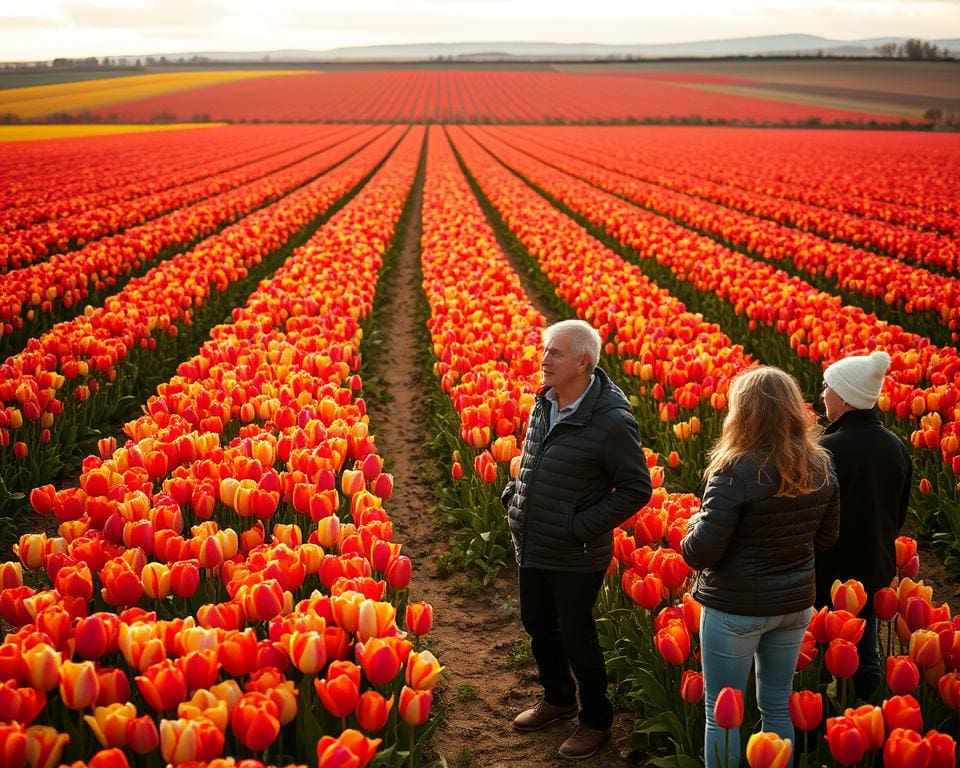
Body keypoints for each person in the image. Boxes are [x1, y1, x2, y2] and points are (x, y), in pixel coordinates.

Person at [501, 318, 653, 760]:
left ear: (583, 362)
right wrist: (514, 497)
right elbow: (532, 458)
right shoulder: (544, 402)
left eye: (556, 352)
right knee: (536, 624)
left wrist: (581, 526)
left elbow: (636, 488)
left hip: (576, 550)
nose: (545, 359)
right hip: (534, 539)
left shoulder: (610, 420)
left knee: (576, 636)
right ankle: (558, 698)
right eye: (545, 350)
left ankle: (596, 720)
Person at [681, 367, 839, 768]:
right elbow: (826, 539)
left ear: (742, 412)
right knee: (777, 705)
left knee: (722, 713)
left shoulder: (734, 469)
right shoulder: (820, 464)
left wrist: (691, 528)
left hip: (736, 609)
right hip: (794, 605)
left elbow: (701, 552)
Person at [815, 350, 912, 700]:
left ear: (845, 397)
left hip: (829, 572)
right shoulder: (896, 447)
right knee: (865, 652)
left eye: (827, 388)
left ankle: (825, 719)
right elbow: (899, 513)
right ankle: (870, 714)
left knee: (824, 652)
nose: (822, 395)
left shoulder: (826, 450)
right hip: (874, 566)